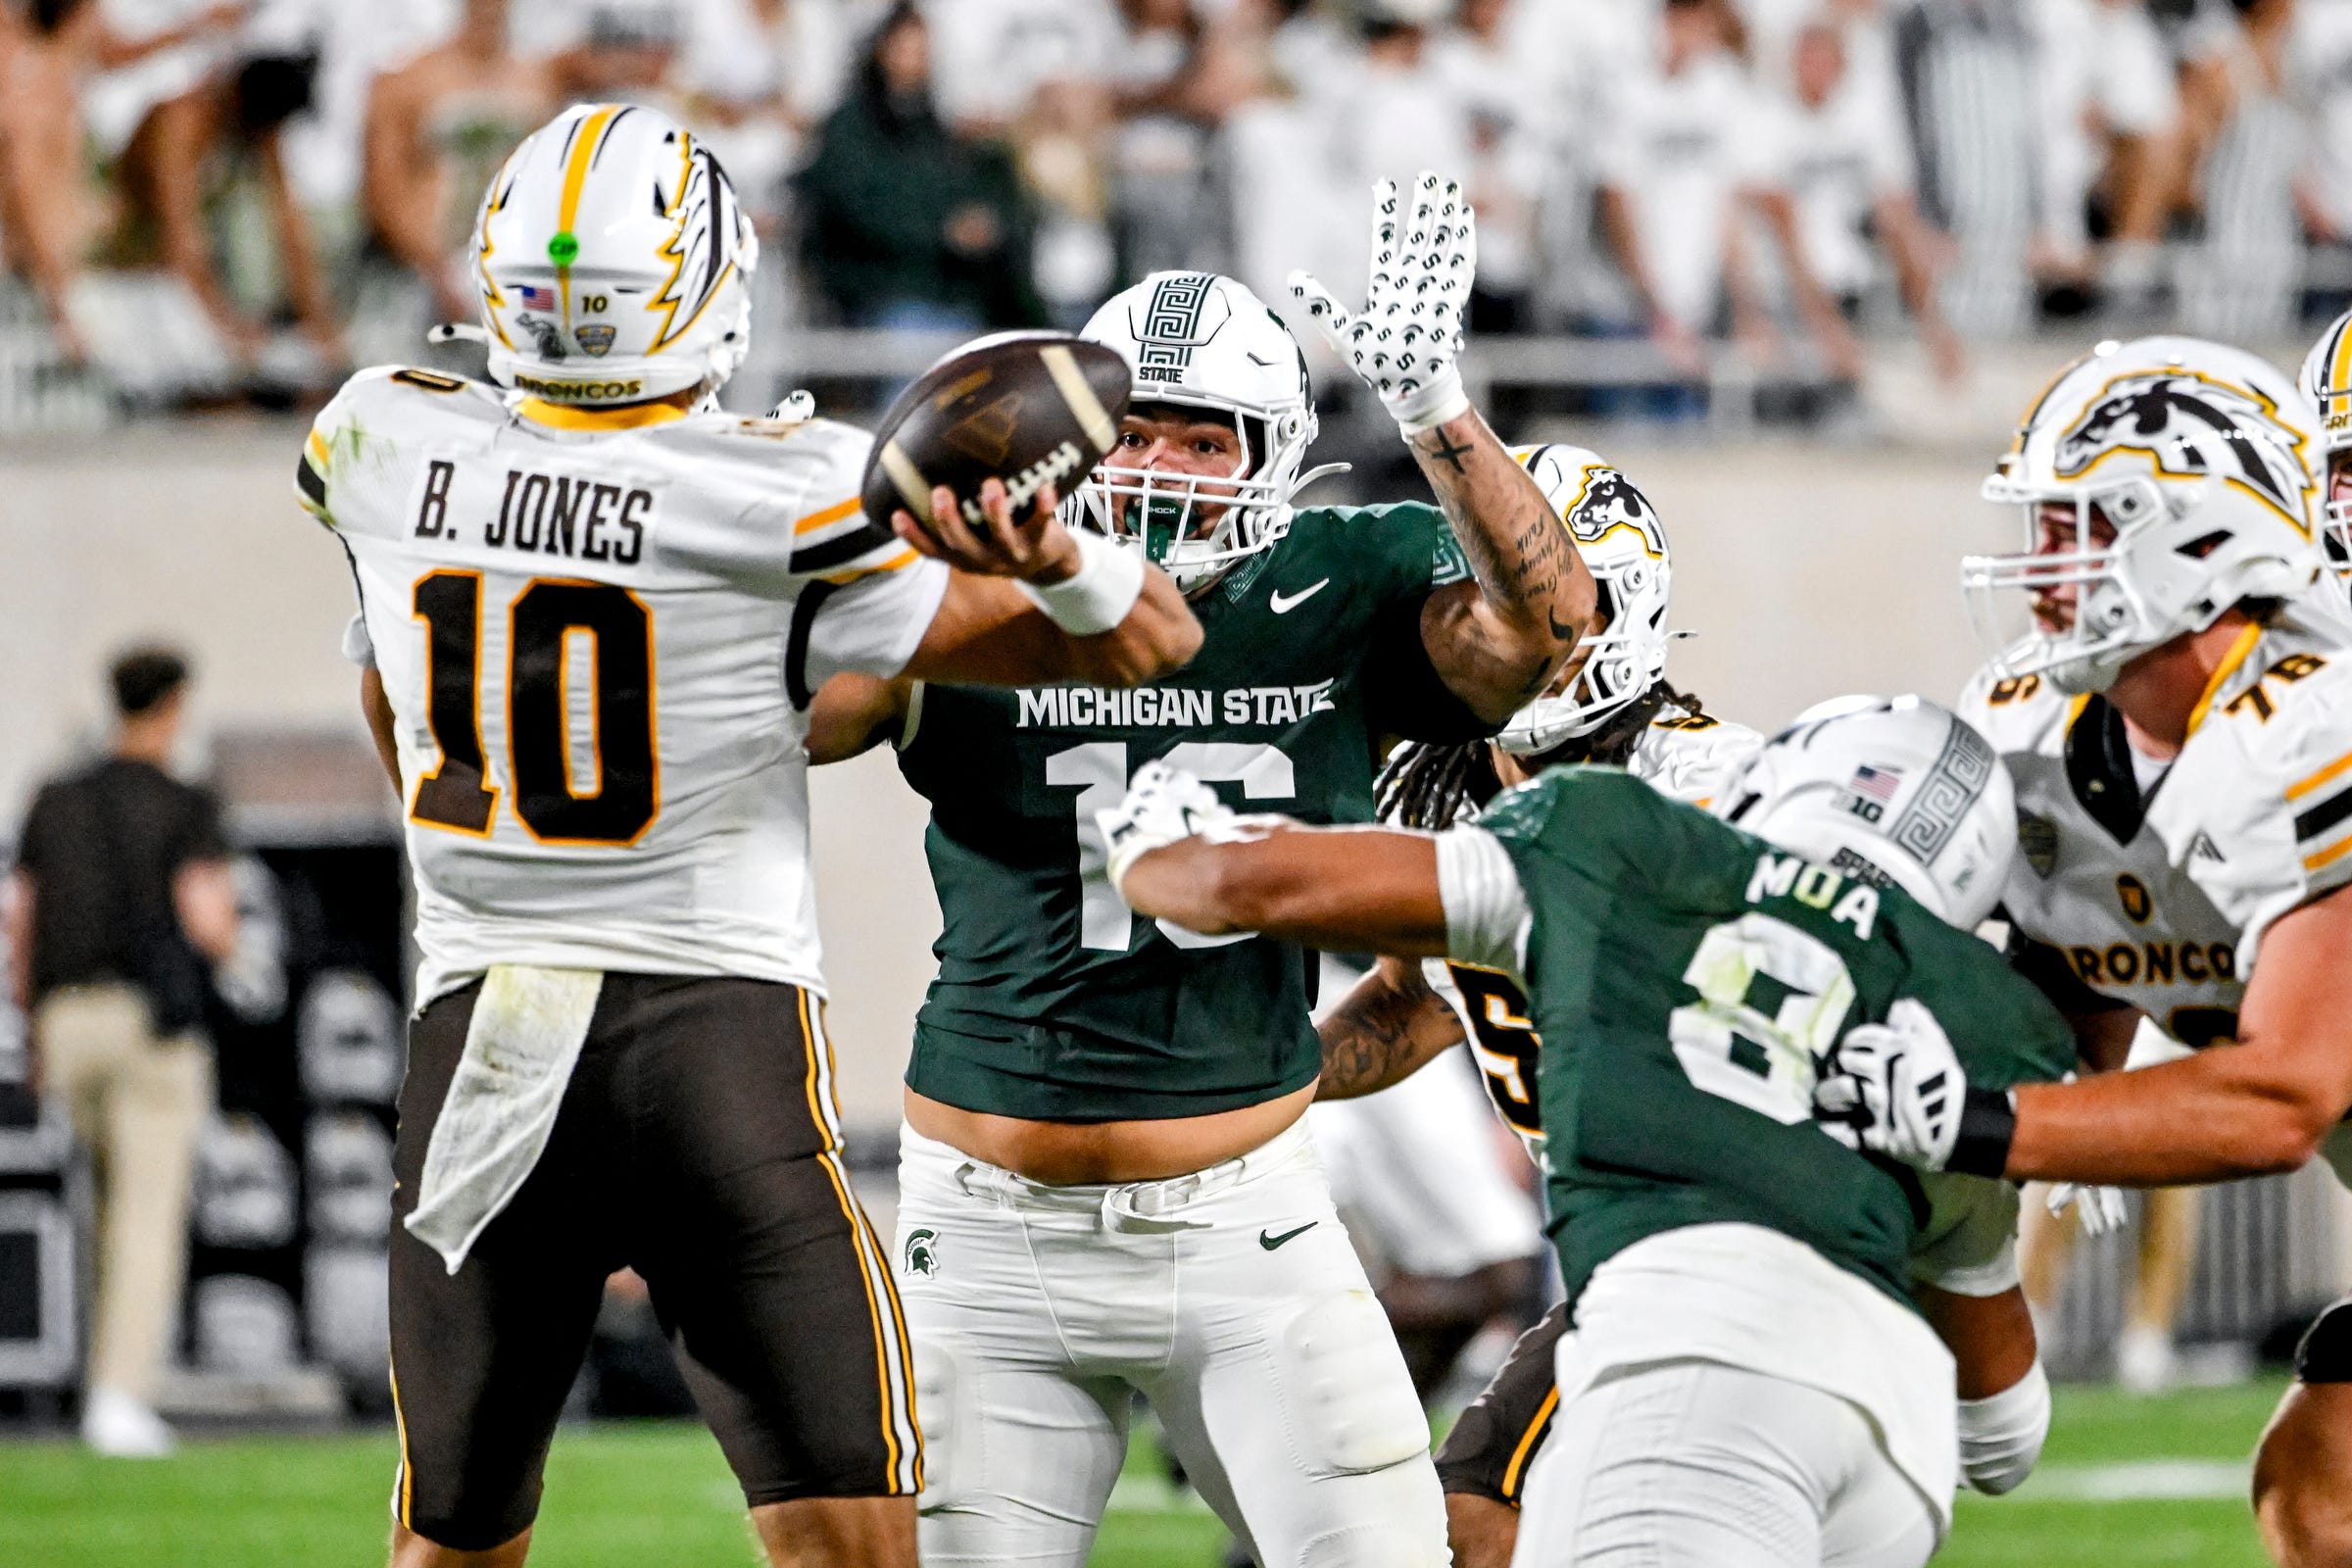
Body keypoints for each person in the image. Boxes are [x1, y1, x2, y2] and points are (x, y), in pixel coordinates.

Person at [298, 101, 1201, 1568]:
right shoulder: (786, 493)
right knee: (854, 1541)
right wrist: (1057, 551)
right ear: (705, 287)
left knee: (451, 1541)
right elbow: (1144, 643)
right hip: (708, 1045)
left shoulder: (381, 437)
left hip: (480, 1042)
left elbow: (391, 708)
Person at [806, 175, 1595, 1566]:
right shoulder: (974, 595)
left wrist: (1435, 410)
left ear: (1276, 455)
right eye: (1135, 432)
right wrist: (892, 558)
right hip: (986, 1233)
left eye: (1204, 437)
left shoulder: (1347, 581)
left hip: (1249, 1222)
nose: (1162, 466)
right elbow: (808, 721)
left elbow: (1549, 633)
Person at [1099, 694, 2068, 1568]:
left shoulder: (1624, 818)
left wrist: (1156, 847)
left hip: (1689, 1301)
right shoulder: (1987, 1026)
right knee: (1482, 1517)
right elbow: (2003, 1436)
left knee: (1481, 1518)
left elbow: (1252, 883)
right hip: (1886, 1416)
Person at [1812, 335, 2352, 1568]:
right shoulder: (2036, 729)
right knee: (2322, 1506)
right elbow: (2074, 977)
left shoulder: (2320, 721)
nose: (2043, 564)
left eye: (2082, 526)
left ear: (2201, 538)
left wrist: (1980, 1123)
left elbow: (2285, 1096)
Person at [6, 647, 240, 1458]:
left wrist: (33, 1028)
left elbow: (22, 920)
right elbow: (209, 918)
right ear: (173, 705)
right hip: (150, 1027)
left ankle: (95, 1380)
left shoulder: (55, 797)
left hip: (67, 1019)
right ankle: (120, 1396)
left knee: (91, 1210)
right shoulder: (185, 801)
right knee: (146, 1214)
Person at [795, 2, 1044, 330]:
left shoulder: (943, 128)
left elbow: (986, 200)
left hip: (953, 293)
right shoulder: (851, 127)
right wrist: (941, 231)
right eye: (905, 50)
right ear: (882, 51)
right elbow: (858, 208)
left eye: (922, 52)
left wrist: (982, 223)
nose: (915, 62)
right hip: (878, 292)